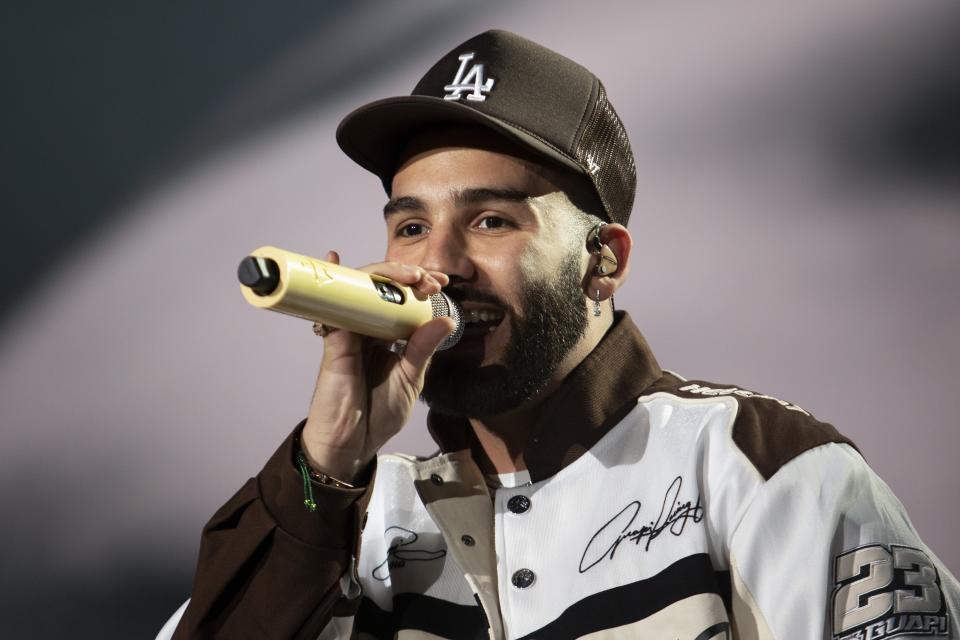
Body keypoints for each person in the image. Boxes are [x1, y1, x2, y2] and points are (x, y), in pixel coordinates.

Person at [160, 30, 959, 640]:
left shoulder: (765, 467)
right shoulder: (353, 513)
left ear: (602, 261)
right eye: (410, 225)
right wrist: (327, 461)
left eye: (490, 220)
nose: (439, 265)